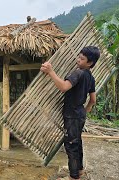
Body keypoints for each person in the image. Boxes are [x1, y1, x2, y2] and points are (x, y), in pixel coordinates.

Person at [40, 46, 100, 180]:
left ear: (89, 63)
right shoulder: (90, 77)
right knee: (77, 142)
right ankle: (79, 171)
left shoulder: (78, 73)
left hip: (72, 115)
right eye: (78, 56)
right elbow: (93, 99)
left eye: (82, 58)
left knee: (71, 145)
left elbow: (63, 87)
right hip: (79, 114)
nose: (78, 59)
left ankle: (74, 177)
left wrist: (50, 71)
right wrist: (85, 110)